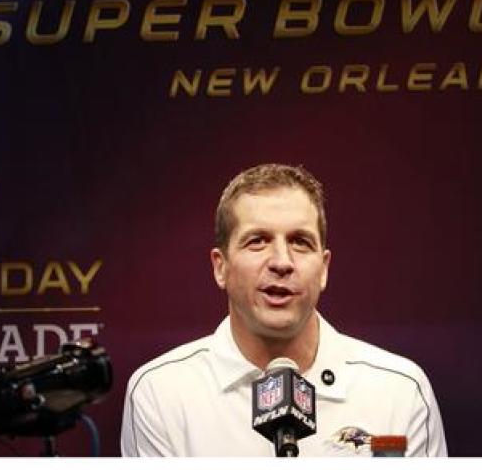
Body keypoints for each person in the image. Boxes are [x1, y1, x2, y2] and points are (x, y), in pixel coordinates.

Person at [120, 163, 448, 457]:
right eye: (257, 241)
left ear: (323, 268)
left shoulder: (400, 392)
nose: (281, 262)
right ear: (221, 267)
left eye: (300, 242)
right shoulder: (160, 394)